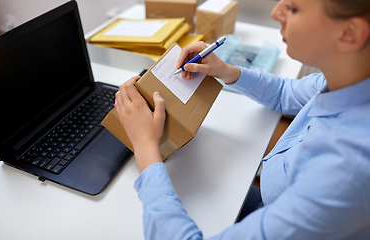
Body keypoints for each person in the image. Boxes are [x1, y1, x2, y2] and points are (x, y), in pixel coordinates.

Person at [114, 0, 370, 239]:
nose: (276, 12)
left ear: (350, 34)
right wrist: (226, 71)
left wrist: (146, 147)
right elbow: (286, 93)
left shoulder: (347, 169)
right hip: (271, 200)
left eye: (292, 8)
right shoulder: (348, 79)